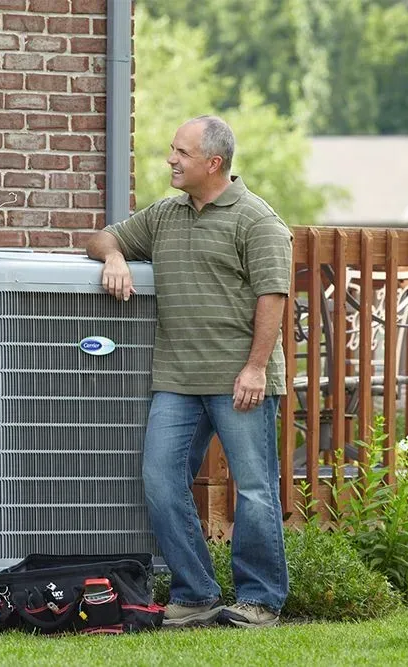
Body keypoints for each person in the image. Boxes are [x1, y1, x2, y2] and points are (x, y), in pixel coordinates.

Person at [86, 116, 291, 628]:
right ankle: (196, 592)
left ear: (213, 163)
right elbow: (102, 237)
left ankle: (260, 599)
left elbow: (273, 296)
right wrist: (114, 257)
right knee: (160, 479)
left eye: (181, 152)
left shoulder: (257, 220)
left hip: (239, 379)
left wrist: (255, 368)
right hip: (176, 379)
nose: (171, 160)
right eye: (172, 149)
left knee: (255, 489)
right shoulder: (164, 215)